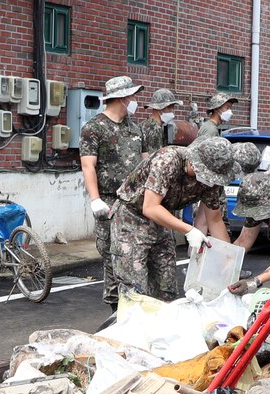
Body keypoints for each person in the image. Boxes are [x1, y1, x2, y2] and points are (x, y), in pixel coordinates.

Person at [112, 136, 237, 300]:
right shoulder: (168, 159)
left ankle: (162, 324)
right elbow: (150, 207)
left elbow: (214, 220)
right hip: (132, 216)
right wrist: (189, 230)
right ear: (195, 163)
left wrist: (228, 259)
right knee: (135, 289)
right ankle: (129, 322)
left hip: (163, 217)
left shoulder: (211, 180)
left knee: (167, 286)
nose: (210, 181)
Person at [80, 75, 144, 307]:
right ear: (122, 97)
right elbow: (88, 165)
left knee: (135, 254)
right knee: (111, 255)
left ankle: (134, 302)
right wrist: (95, 199)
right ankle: (115, 307)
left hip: (135, 203)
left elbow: (146, 163)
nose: (135, 100)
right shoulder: (94, 128)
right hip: (109, 201)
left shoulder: (136, 128)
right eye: (133, 96)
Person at [141, 88, 182, 153]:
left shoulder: (167, 127)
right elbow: (155, 158)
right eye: (169, 107)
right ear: (159, 108)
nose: (172, 110)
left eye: (173, 107)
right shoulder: (151, 128)